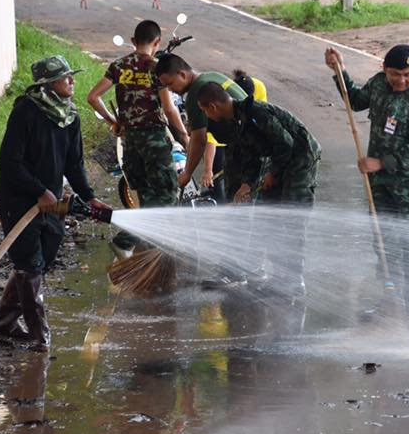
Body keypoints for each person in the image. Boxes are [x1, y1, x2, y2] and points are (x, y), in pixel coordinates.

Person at [0, 55, 111, 350]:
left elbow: (74, 164)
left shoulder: (69, 116)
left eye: (71, 76)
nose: (72, 81)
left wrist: (89, 196)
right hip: (19, 200)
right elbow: (9, 162)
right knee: (29, 263)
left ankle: (5, 324)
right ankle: (40, 336)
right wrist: (37, 191)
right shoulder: (26, 113)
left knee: (40, 261)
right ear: (48, 84)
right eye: (66, 77)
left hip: (52, 201)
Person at [324, 44, 409, 315]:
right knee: (383, 240)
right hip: (379, 184)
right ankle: (388, 297)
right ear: (384, 70)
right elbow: (355, 101)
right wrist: (340, 71)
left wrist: (381, 163)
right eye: (395, 74)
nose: (401, 80)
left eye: (408, 75)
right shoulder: (378, 85)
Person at [196, 82, 322, 295]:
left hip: (301, 161)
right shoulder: (238, 120)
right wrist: (247, 185)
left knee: (291, 219)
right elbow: (255, 156)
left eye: (205, 110)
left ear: (213, 106)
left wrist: (273, 173)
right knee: (271, 215)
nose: (206, 116)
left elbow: (286, 145)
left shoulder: (256, 113)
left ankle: (293, 281)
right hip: (281, 163)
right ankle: (279, 276)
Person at [86, 20, 189, 258]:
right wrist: (184, 136)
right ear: (157, 42)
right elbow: (169, 108)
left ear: (133, 41)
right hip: (153, 140)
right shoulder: (157, 68)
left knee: (146, 197)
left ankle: (149, 255)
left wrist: (113, 121)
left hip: (130, 142)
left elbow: (93, 97)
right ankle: (125, 240)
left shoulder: (119, 66)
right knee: (167, 196)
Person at [154, 55, 267, 198]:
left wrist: (187, 173)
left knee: (238, 197)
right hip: (250, 143)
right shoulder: (211, 76)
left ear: (182, 74)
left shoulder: (196, 92)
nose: (170, 90)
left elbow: (199, 139)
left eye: (170, 84)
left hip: (247, 149)